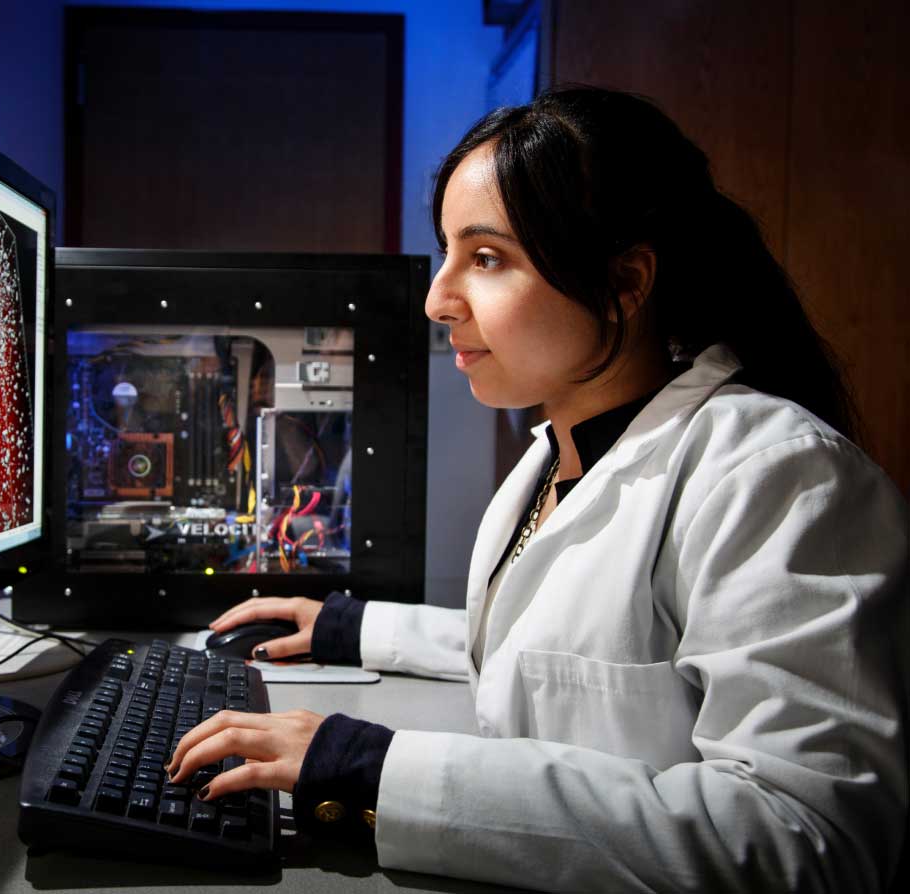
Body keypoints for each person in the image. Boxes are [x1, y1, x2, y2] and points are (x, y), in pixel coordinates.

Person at [164, 85, 910, 892]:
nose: (437, 300)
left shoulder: (778, 477)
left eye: (485, 258)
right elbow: (567, 652)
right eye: (447, 253)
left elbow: (808, 839)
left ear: (625, 282)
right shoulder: (559, 455)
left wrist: (368, 768)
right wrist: (353, 627)